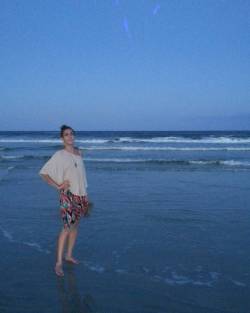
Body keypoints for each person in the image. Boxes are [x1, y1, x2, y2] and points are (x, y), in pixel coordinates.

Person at [38, 124, 89, 277]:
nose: (70, 136)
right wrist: (59, 186)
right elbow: (44, 173)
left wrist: (86, 194)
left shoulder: (79, 153)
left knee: (75, 226)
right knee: (66, 227)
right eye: (66, 134)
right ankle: (59, 262)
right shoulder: (59, 155)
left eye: (72, 134)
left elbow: (81, 176)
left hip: (81, 195)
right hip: (68, 195)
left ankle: (69, 255)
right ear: (62, 138)